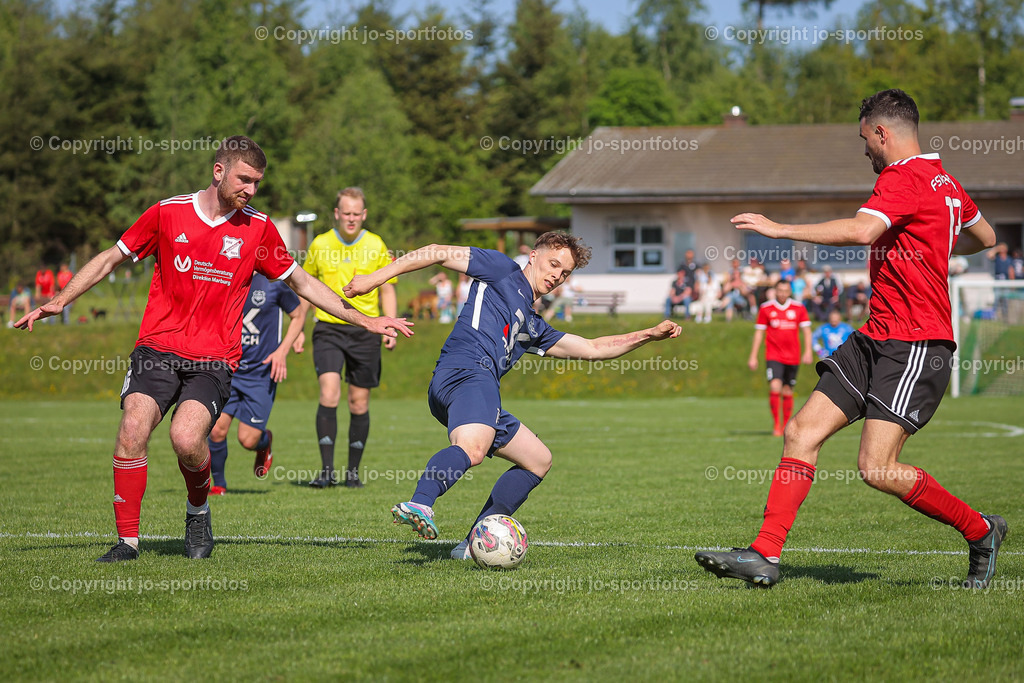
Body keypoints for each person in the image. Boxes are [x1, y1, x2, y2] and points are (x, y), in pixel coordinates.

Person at [15, 136, 412, 562]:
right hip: (157, 348)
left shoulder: (258, 228)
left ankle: (198, 509)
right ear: (218, 171)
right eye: (245, 179)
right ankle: (127, 542)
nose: (251, 190)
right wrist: (62, 299)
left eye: (257, 182)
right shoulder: (168, 213)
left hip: (213, 358)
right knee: (133, 429)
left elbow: (304, 284)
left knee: (187, 439)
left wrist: (367, 320)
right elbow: (112, 257)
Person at [695, 89, 1005, 589]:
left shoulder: (903, 176)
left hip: (915, 343)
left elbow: (862, 232)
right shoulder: (944, 180)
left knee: (876, 468)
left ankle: (982, 529)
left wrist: (779, 230)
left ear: (882, 132)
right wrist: (934, 243)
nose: (865, 150)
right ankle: (764, 555)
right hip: (873, 338)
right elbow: (984, 237)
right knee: (801, 432)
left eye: (865, 139)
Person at [342, 232, 681, 559]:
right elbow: (437, 252)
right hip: (466, 370)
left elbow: (592, 348)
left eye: (564, 273)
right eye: (553, 264)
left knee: (537, 459)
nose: (557, 276)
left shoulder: (533, 324)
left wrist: (649, 334)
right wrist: (375, 278)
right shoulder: (502, 269)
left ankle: (473, 542)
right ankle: (420, 502)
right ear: (533, 256)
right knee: (473, 449)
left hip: (476, 387)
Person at [300, 187, 399, 489]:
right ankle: (327, 471)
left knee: (358, 401)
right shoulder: (320, 244)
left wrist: (390, 326)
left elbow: (388, 287)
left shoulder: (376, 244)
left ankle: (352, 473)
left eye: (357, 213)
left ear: (364, 215)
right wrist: (298, 331)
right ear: (337, 214)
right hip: (328, 327)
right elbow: (304, 288)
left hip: (366, 329)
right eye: (347, 213)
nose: (352, 218)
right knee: (329, 393)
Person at [206, 272, 306, 495]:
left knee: (247, 440)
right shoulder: (225, 276)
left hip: (262, 372)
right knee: (216, 430)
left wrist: (283, 351)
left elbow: (298, 315)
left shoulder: (274, 282)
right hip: (229, 368)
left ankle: (264, 442)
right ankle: (219, 485)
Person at [748, 279, 812, 436]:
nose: (782, 294)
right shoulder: (766, 308)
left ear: (790, 291)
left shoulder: (799, 308)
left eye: (785, 291)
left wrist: (808, 351)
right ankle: (776, 425)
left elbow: (806, 331)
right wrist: (753, 356)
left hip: (793, 356)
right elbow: (759, 333)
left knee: (788, 390)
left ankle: (785, 425)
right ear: (775, 291)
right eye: (780, 290)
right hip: (773, 355)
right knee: (775, 386)